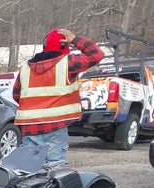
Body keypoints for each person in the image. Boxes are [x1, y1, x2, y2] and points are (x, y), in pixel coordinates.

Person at [12, 28, 104, 167]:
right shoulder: (67, 63)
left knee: (30, 169)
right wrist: (75, 39)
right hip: (55, 125)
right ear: (64, 45)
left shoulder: (25, 68)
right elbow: (96, 54)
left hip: (29, 127)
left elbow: (17, 95)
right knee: (54, 169)